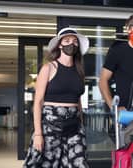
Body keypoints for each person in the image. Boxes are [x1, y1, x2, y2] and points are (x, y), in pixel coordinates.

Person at [23, 27, 89, 168]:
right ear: (60, 44)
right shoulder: (49, 68)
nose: (71, 44)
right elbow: (38, 102)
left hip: (74, 128)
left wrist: (81, 124)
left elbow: (78, 101)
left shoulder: (79, 70)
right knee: (45, 164)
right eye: (67, 40)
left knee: (78, 164)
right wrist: (38, 134)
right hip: (50, 127)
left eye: (74, 41)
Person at [99, 15, 133, 111]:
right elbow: (103, 80)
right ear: (129, 29)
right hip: (126, 113)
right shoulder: (117, 51)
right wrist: (113, 106)